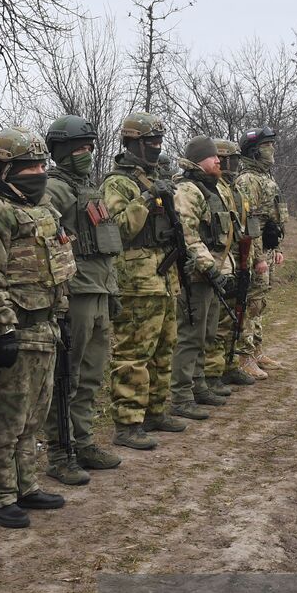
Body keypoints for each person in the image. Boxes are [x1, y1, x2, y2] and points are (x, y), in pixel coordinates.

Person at [0, 129, 76, 527]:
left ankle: (25, 485)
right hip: (15, 327)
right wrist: (1, 330)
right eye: (29, 166)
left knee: (34, 416)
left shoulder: (44, 208)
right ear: (6, 169)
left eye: (42, 165)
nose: (39, 172)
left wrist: (61, 315)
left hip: (45, 324)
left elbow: (58, 266)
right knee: (4, 417)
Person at [41, 116, 124, 484]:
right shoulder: (54, 190)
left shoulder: (90, 188)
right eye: (79, 148)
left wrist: (114, 290)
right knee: (66, 376)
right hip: (75, 293)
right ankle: (60, 452)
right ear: (61, 151)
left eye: (90, 147)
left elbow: (106, 246)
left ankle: (84, 441)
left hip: (99, 291)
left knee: (91, 375)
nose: (86, 154)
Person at [101, 112, 186, 450]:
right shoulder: (118, 183)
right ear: (132, 143)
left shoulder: (155, 178)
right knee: (134, 352)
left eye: (159, 142)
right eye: (149, 142)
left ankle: (154, 411)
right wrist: (149, 199)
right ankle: (127, 423)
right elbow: (119, 228)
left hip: (164, 276)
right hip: (136, 278)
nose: (156, 147)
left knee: (164, 347)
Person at [169, 136, 235, 421]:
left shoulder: (211, 188)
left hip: (209, 274)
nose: (218, 160)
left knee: (205, 334)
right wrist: (209, 267)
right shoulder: (188, 190)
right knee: (189, 336)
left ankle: (198, 386)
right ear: (198, 161)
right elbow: (188, 234)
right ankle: (182, 396)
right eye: (212, 157)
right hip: (194, 275)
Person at [233, 126, 286, 380]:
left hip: (266, 248)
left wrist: (276, 249)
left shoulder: (266, 177)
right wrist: (258, 258)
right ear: (254, 151)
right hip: (254, 253)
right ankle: (244, 357)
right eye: (268, 145)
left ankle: (256, 350)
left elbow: (272, 220)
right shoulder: (247, 180)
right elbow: (248, 224)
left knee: (260, 304)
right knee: (250, 304)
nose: (272, 149)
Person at [212, 138, 250, 391]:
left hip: (237, 258)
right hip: (222, 259)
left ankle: (228, 365)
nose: (233, 164)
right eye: (229, 159)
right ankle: (214, 371)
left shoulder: (233, 188)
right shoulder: (214, 189)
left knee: (235, 316)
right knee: (219, 320)